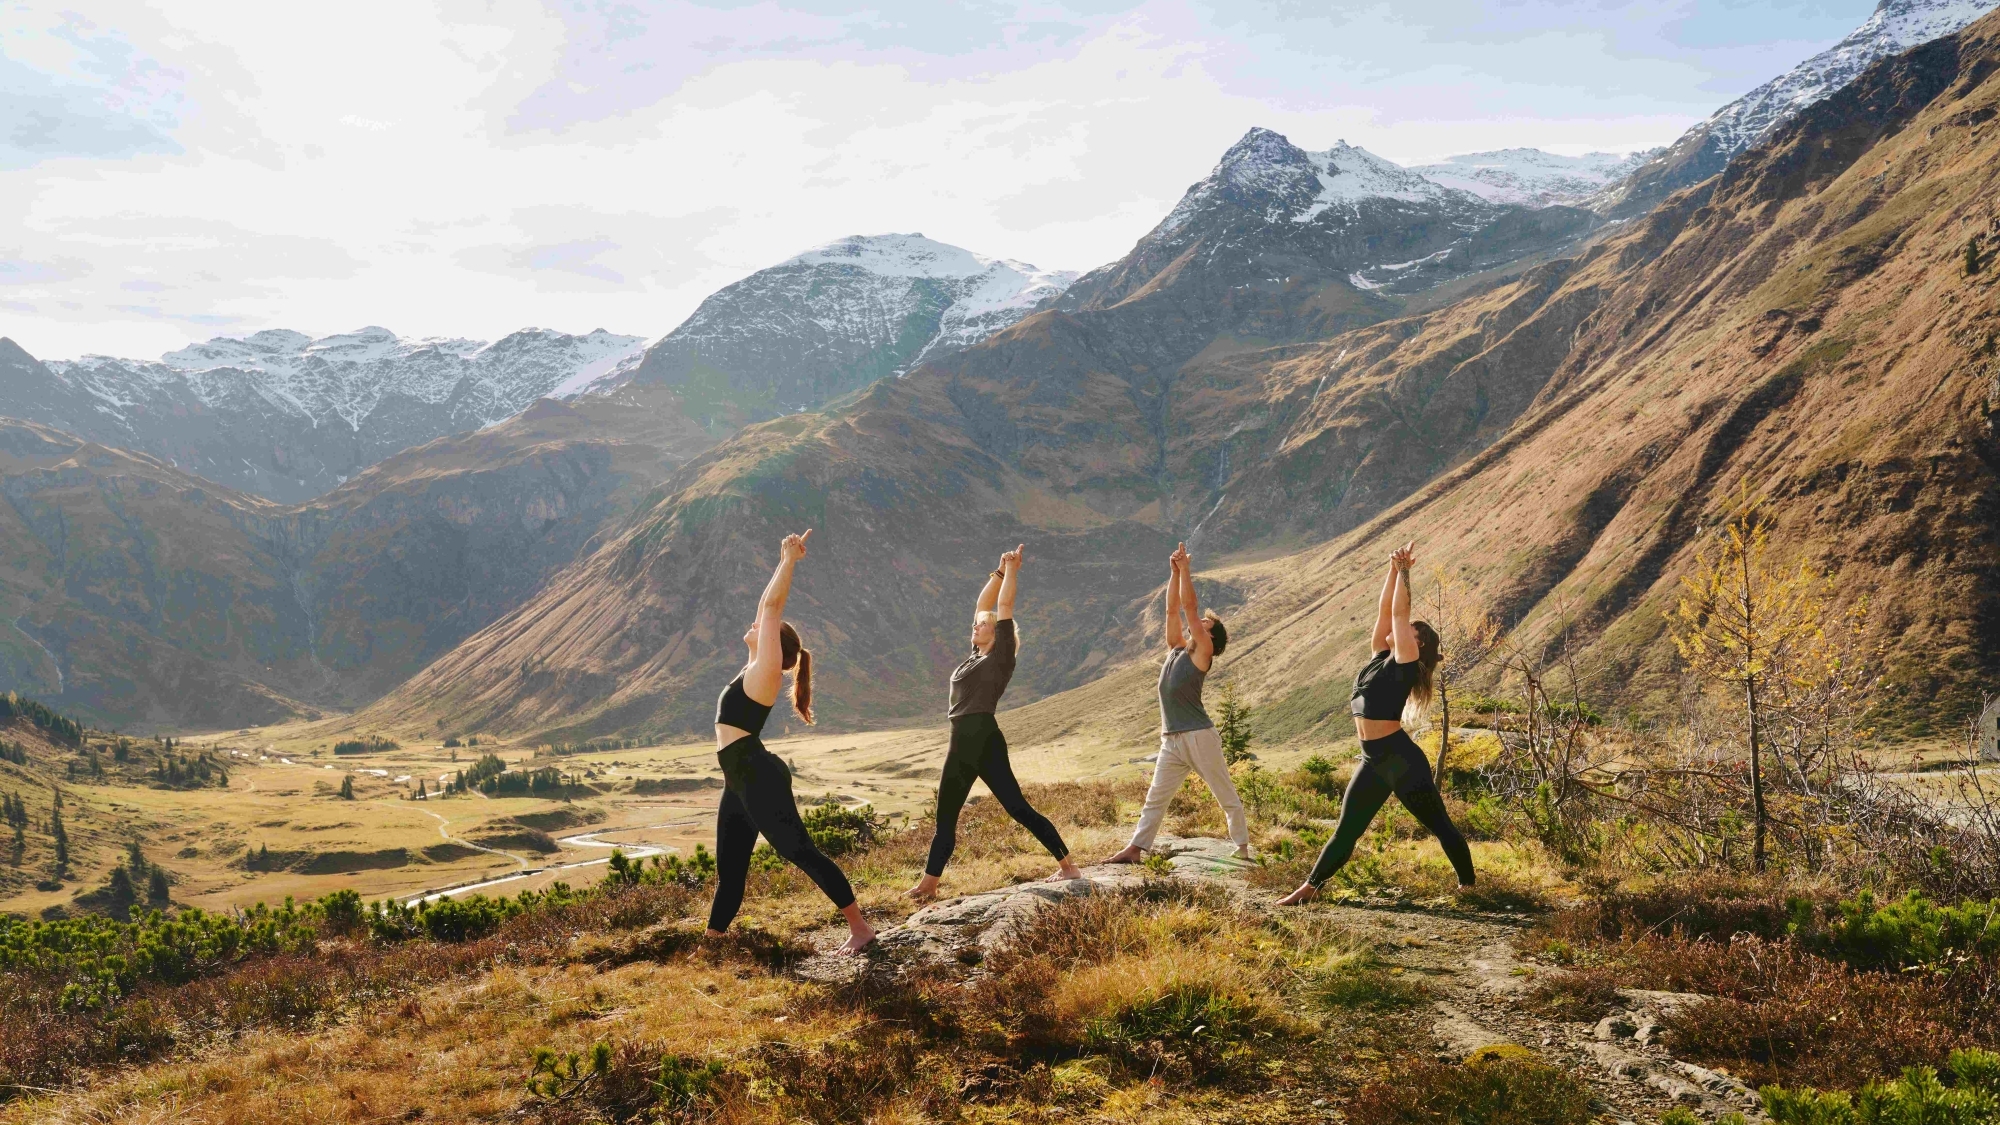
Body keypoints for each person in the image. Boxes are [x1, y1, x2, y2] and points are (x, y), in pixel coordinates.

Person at [704, 529, 875, 954]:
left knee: (801, 852)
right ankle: (711, 944)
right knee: (730, 869)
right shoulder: (752, 670)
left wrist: (788, 560)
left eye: (763, 629)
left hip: (757, 776)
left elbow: (770, 604)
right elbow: (763, 612)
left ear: (773, 647)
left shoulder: (765, 673)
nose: (756, 624)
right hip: (738, 779)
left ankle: (860, 927)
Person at [1277, 543, 1475, 905]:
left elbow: (1400, 615)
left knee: (1440, 825)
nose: (1401, 630)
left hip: (1401, 760)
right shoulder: (1378, 658)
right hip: (1373, 760)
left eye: (1411, 631)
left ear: (1417, 644)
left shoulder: (1405, 660)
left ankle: (1470, 887)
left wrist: (1405, 573)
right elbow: (1387, 611)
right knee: (1347, 830)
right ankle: (1309, 888)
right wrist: (1391, 568)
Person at [907, 545, 1083, 902]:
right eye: (977, 624)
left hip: (983, 737)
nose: (976, 625)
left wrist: (1014, 571)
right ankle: (929, 884)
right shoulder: (975, 654)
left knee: (1018, 808)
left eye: (984, 625)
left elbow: (1002, 608)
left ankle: (1069, 867)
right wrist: (999, 570)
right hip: (961, 739)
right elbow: (983, 606)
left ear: (999, 633)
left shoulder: (1001, 656)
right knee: (946, 816)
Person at [1106, 542, 1250, 864]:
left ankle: (1241, 847)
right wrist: (1173, 573)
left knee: (1223, 791)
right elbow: (1172, 611)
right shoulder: (1176, 649)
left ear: (1211, 638)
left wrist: (1186, 569)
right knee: (1156, 797)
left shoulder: (1203, 654)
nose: (1194, 627)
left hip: (1199, 735)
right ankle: (1135, 849)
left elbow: (1189, 607)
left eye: (1204, 627)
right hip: (1171, 738)